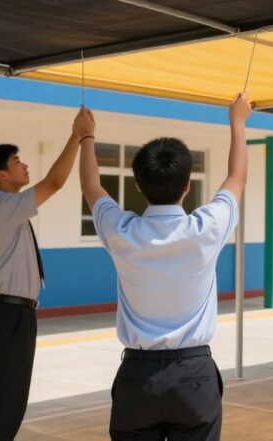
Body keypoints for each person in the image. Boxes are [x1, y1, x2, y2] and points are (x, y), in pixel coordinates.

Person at [80, 93, 250, 440]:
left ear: (138, 185)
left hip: (137, 378)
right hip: (194, 375)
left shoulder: (122, 232)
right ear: (188, 186)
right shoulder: (205, 229)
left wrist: (86, 136)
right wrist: (237, 122)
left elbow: (91, 186)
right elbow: (237, 178)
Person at [0, 108, 88, 441]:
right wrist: (78, 136)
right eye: (16, 161)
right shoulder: (1, 208)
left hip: (11, 313)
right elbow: (55, 182)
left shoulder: (7, 209)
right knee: (5, 403)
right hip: (9, 314)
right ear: (1, 175)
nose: (24, 165)